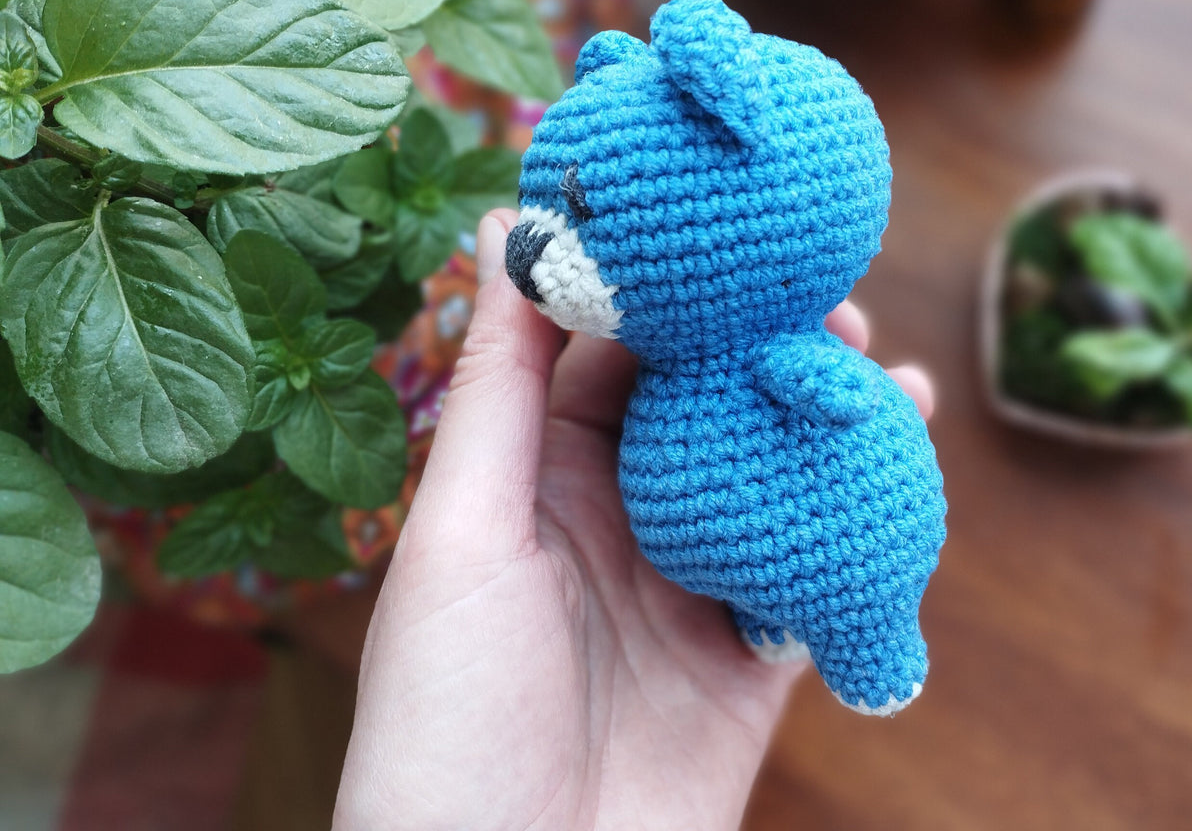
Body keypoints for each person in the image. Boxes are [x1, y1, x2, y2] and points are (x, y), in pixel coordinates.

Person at [334, 209, 936, 830]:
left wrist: (826, 385)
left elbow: (834, 391)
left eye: (580, 209)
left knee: (839, 588)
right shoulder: (669, 362)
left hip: (835, 528)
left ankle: (863, 637)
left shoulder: (773, 352)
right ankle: (770, 619)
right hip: (710, 570)